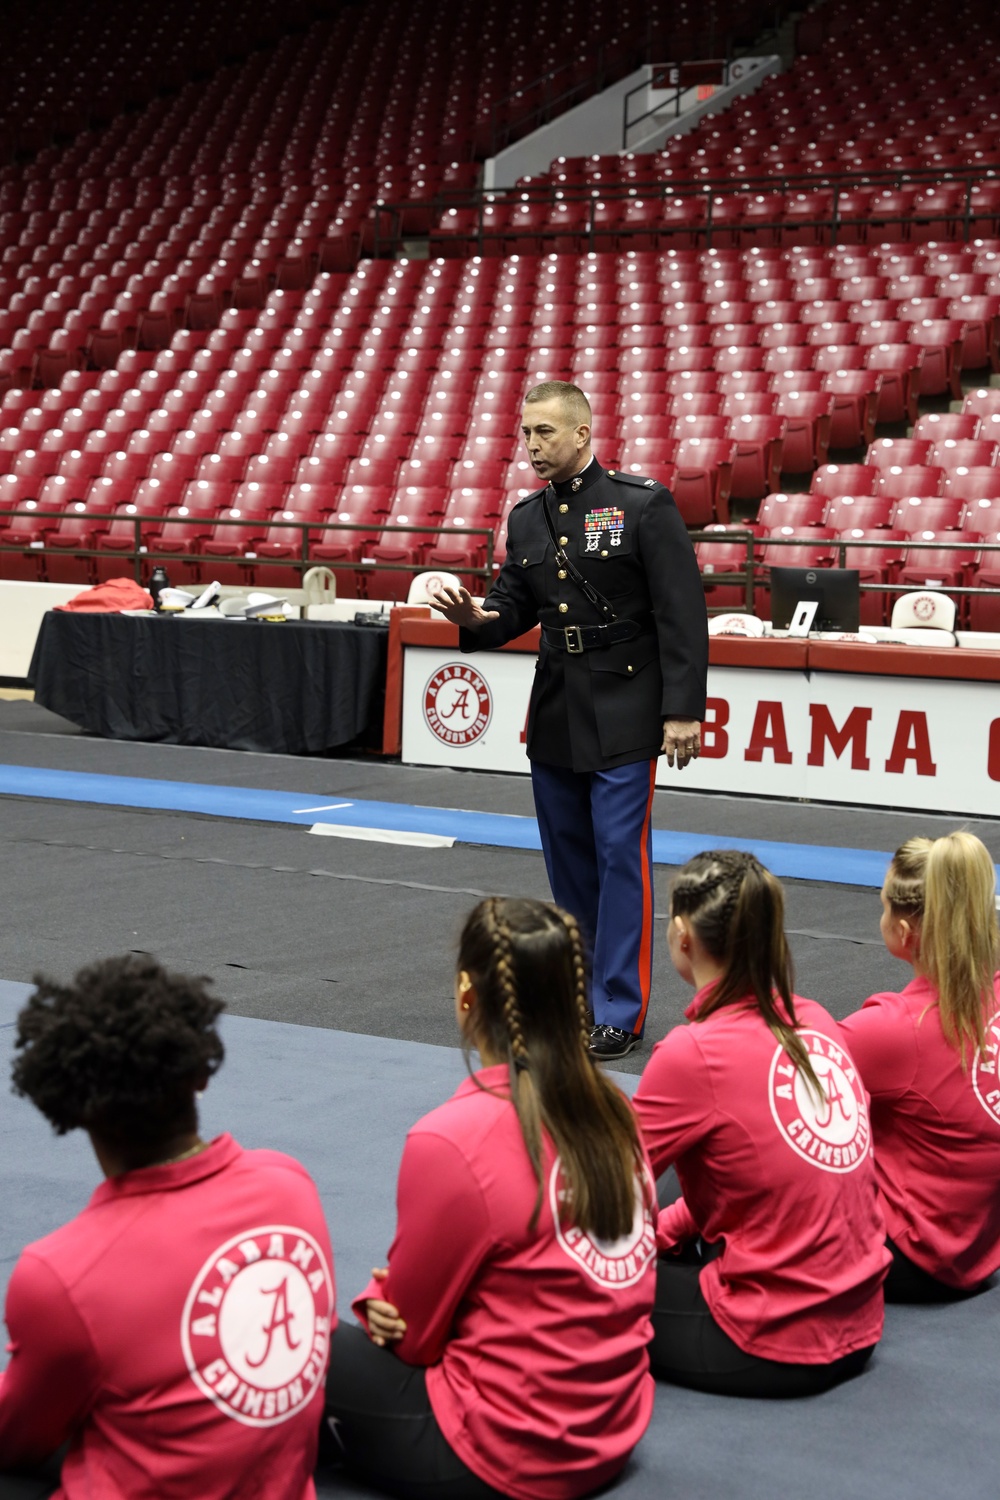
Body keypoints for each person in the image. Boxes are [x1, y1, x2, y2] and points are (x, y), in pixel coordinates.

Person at [324, 896, 657, 1500]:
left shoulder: (451, 1138)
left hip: (502, 1454)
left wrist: (379, 1293)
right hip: (614, 1429)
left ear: (466, 996)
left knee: (299, 1340)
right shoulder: (618, 1113)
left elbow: (412, 1338)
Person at [430, 382, 708, 1061]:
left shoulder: (642, 506)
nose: (532, 445)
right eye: (526, 433)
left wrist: (682, 712)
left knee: (620, 861)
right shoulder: (526, 517)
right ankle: (575, 998)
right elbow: (512, 606)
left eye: (545, 433)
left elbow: (681, 612)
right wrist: (474, 621)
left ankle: (618, 1009)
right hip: (556, 702)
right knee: (567, 865)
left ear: (582, 434)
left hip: (627, 701)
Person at [0, 955, 335, 1500]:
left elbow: (17, 1438)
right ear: (200, 1073)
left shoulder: (59, 1275)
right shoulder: (289, 1184)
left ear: (70, 1106)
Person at [631, 850, 889, 1398]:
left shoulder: (691, 1054)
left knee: (571, 1273)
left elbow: (593, 1188)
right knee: (700, 1160)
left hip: (770, 1340)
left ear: (681, 936)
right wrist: (664, 1230)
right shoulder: (815, 1017)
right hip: (862, 1317)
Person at [839, 832, 1000, 1301]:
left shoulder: (894, 1028)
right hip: (981, 1242)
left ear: (904, 933)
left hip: (915, 1254)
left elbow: (772, 1070)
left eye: (883, 906)